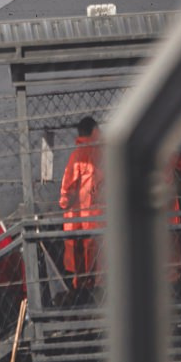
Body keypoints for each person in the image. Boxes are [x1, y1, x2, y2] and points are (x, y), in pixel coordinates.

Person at [59, 115, 103, 293]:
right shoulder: (104, 154)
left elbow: (66, 191)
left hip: (79, 223)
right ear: (95, 131)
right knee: (101, 267)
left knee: (82, 270)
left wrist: (65, 203)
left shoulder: (77, 156)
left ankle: (82, 301)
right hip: (101, 220)